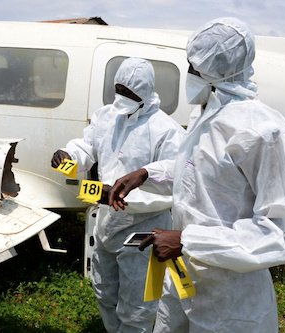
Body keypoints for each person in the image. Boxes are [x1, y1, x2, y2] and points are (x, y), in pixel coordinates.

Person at [108, 18, 285, 333]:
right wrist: (145, 173)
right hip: (184, 277)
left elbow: (282, 228)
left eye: (194, 68)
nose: (188, 74)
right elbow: (196, 175)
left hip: (230, 296)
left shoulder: (262, 131)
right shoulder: (207, 114)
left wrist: (186, 240)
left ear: (218, 72)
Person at [51, 57, 185, 333]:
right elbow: (88, 147)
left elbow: (178, 172)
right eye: (120, 90)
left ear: (145, 93)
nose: (122, 97)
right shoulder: (106, 116)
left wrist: (145, 174)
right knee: (105, 290)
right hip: (108, 221)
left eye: (130, 93)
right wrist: (70, 155)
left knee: (138, 303)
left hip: (145, 227)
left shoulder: (165, 129)